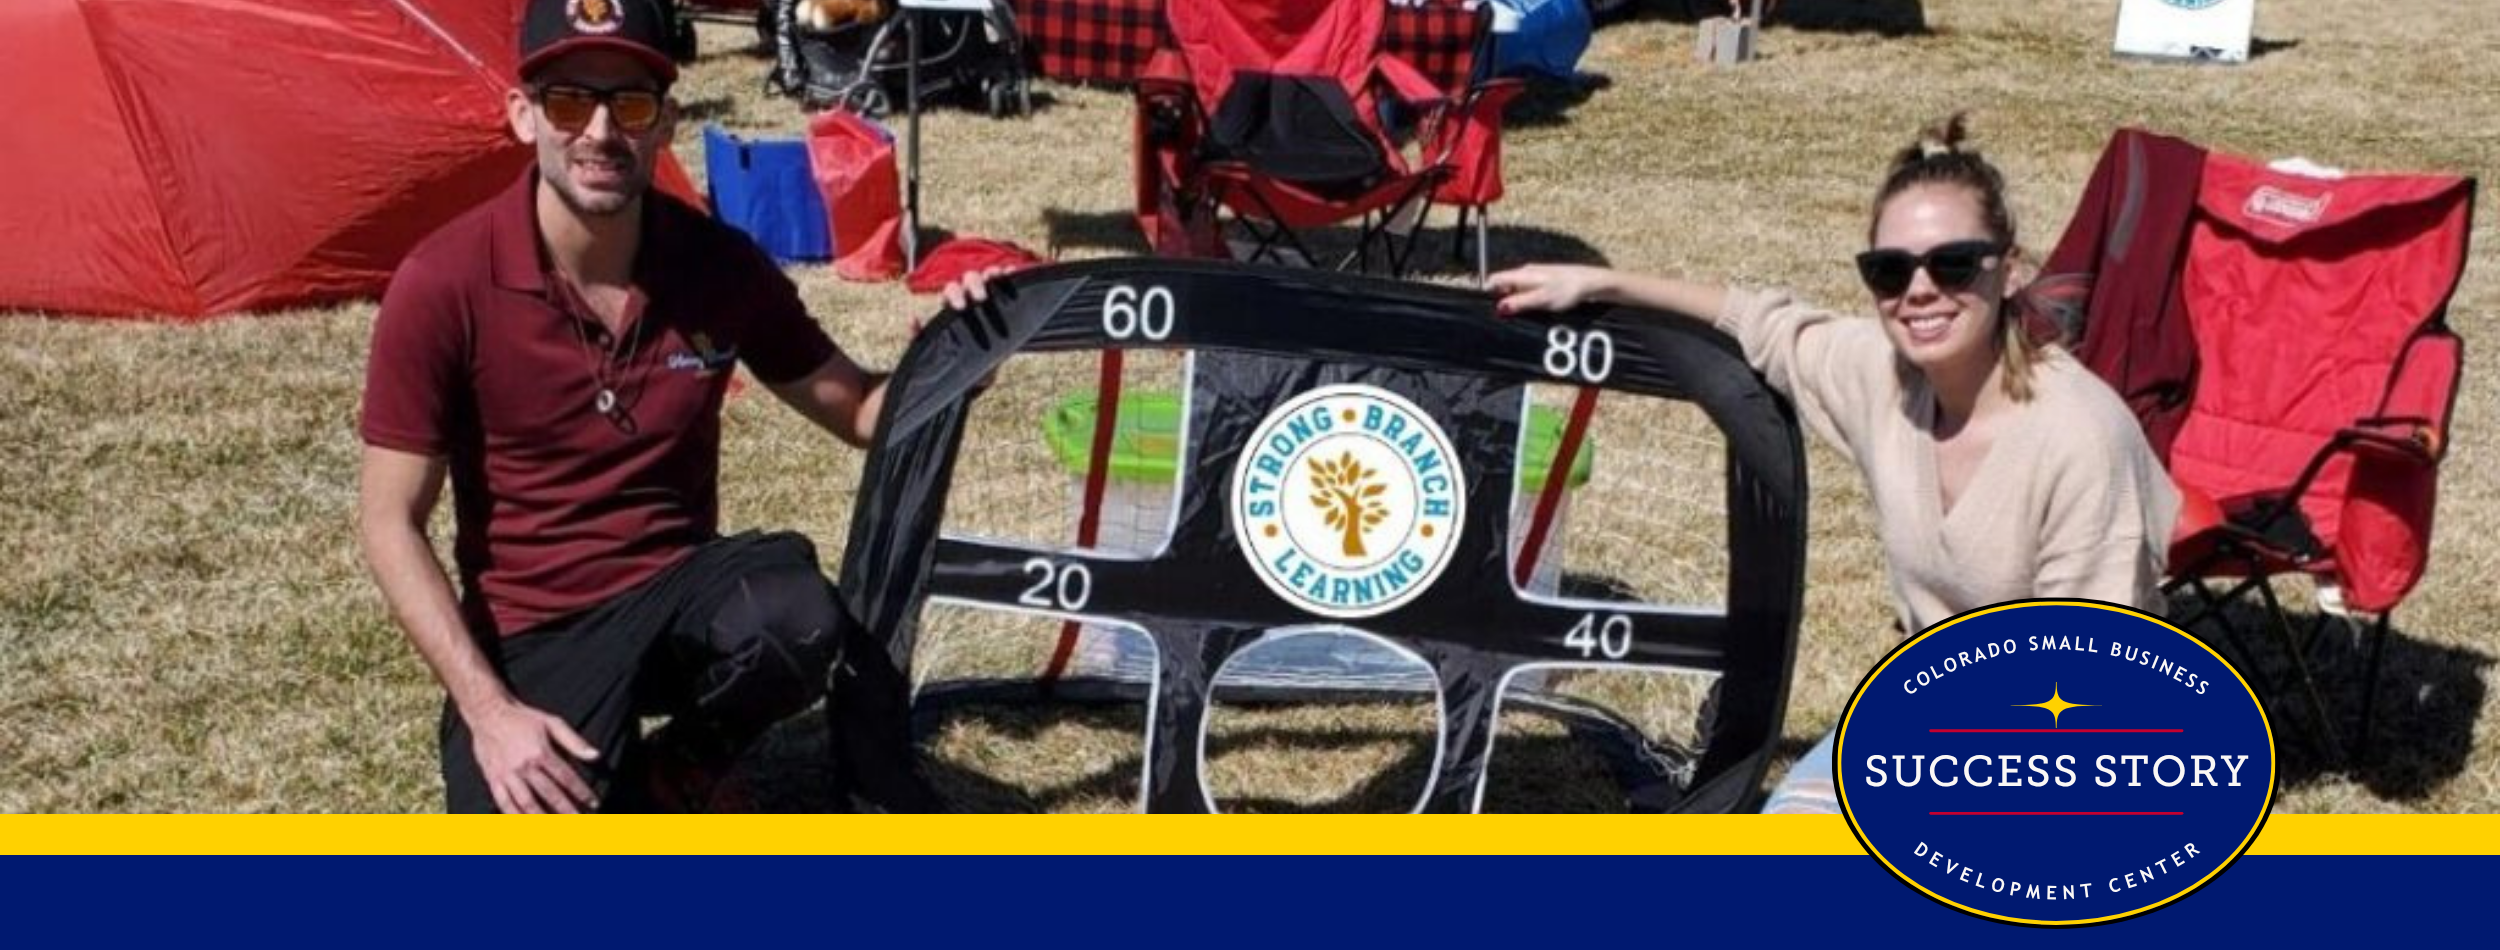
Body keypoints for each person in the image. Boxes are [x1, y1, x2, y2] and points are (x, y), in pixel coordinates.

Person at [1485, 115, 2179, 813]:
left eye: (1954, 263)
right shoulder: (1887, 377)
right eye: (1889, 270)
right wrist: (1603, 282)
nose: (1920, 290)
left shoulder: (2081, 439)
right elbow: (1763, 324)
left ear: (2011, 269)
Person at [358, 0, 912, 813]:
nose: (600, 131)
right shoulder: (443, 283)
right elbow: (388, 522)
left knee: (793, 618)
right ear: (523, 116)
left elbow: (861, 409)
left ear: (665, 124)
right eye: (569, 101)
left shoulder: (717, 265)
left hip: (677, 591)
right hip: (536, 628)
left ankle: (682, 766)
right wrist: (490, 712)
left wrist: (964, 347)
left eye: (632, 102)